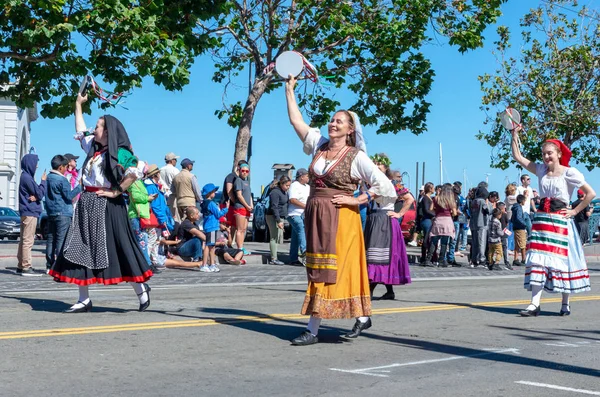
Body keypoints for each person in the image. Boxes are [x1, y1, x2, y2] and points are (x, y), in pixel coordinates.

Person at [285, 74, 396, 346]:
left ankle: (313, 329)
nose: (332, 123)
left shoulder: (356, 156)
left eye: (339, 121)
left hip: (342, 219)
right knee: (317, 269)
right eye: (332, 120)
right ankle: (358, 317)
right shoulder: (318, 146)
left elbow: (385, 187)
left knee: (335, 270)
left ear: (350, 130)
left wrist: (358, 200)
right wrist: (289, 90)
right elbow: (296, 122)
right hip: (316, 215)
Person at [49, 93, 152, 313]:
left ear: (107, 132)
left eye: (98, 126)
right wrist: (78, 104)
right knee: (78, 248)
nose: (94, 129)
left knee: (120, 248)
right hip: (86, 205)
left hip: (109, 207)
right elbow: (80, 128)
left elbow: (136, 171)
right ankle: (84, 298)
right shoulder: (94, 150)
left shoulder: (119, 154)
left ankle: (140, 289)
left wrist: (116, 191)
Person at [510, 127, 596, 317]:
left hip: (560, 222)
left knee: (562, 263)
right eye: (543, 154)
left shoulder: (569, 172)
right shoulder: (540, 170)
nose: (546, 156)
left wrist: (574, 211)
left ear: (558, 153)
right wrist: (514, 135)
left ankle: (565, 304)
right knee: (538, 261)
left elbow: (590, 194)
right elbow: (518, 157)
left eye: (549, 153)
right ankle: (534, 304)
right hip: (542, 222)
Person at [367, 164, 412, 300]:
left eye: (379, 168)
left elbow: (409, 199)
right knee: (377, 254)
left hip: (385, 219)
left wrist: (399, 214)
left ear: (386, 169)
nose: (376, 170)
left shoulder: (393, 184)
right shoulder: (371, 183)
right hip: (374, 219)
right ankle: (389, 291)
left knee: (379, 255)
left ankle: (369, 290)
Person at [44, 155, 82, 271]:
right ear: (60, 167)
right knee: (61, 239)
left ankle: (50, 264)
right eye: (65, 167)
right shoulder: (62, 180)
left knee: (51, 239)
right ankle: (59, 266)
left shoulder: (48, 178)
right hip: (63, 213)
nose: (67, 169)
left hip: (51, 212)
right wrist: (79, 186)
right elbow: (69, 196)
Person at [17, 153, 47, 276]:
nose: (37, 166)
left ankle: (21, 265)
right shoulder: (27, 178)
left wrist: (37, 196)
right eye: (35, 163)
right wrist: (43, 182)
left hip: (26, 211)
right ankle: (26, 266)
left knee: (24, 239)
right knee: (28, 240)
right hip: (30, 212)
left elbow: (37, 195)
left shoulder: (25, 176)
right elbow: (40, 194)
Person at [144, 164, 174, 270]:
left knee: (155, 240)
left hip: (155, 217)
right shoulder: (152, 187)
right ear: (155, 175)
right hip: (155, 218)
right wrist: (162, 219)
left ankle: (153, 260)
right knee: (152, 240)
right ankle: (148, 262)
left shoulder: (152, 186)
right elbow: (156, 206)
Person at [423, 185, 456, 267]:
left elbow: (431, 209)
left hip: (438, 220)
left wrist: (437, 210)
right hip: (447, 220)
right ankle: (441, 260)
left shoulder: (436, 198)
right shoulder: (450, 200)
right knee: (444, 242)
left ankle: (428, 259)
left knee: (434, 240)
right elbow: (454, 213)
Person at [200, 183, 228, 272]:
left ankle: (212, 264)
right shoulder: (211, 204)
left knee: (212, 246)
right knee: (209, 246)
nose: (214, 193)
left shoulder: (204, 203)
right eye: (213, 192)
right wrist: (226, 209)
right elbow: (218, 214)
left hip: (208, 226)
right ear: (209, 193)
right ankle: (204, 264)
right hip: (212, 227)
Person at [220, 160, 248, 247]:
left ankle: (230, 243)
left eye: (246, 170)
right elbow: (229, 191)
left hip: (235, 206)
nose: (245, 172)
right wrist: (235, 202)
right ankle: (225, 243)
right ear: (239, 168)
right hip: (227, 204)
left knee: (234, 226)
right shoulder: (231, 176)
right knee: (228, 225)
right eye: (243, 169)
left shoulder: (242, 179)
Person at [267, 176, 291, 265]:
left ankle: (275, 257)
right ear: (281, 184)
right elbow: (274, 207)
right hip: (272, 216)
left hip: (280, 216)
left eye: (289, 186)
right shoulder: (275, 192)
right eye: (287, 185)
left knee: (277, 237)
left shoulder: (284, 192)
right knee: (274, 237)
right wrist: (278, 220)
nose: (288, 187)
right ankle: (273, 258)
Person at [288, 168, 310, 266]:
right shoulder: (294, 186)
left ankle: (293, 258)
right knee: (301, 228)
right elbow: (292, 200)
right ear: (301, 177)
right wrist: (305, 206)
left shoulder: (307, 187)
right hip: (294, 214)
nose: (308, 178)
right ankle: (304, 251)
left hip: (304, 214)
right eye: (307, 176)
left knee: (296, 236)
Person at [469, 184, 491, 267]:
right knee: (482, 242)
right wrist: (487, 204)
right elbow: (487, 210)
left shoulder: (474, 201)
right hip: (482, 223)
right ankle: (482, 259)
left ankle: (474, 259)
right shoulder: (482, 201)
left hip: (473, 223)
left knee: (474, 242)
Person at [233, 163, 253, 255]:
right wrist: (246, 205)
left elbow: (249, 195)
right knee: (240, 229)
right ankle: (239, 248)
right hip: (240, 207)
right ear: (239, 171)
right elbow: (239, 195)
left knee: (244, 229)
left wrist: (251, 205)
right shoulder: (238, 180)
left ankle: (242, 246)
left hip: (247, 209)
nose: (244, 173)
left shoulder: (247, 182)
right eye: (243, 171)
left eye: (246, 171)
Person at [160, 152, 180, 221]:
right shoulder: (175, 170)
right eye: (175, 159)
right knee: (175, 218)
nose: (176, 161)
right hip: (173, 196)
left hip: (163, 196)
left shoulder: (160, 170)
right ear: (171, 160)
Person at [419, 182, 436, 265]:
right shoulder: (425, 198)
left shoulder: (429, 198)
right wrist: (435, 214)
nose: (434, 189)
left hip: (428, 220)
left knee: (427, 239)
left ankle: (424, 258)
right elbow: (426, 210)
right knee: (426, 239)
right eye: (433, 187)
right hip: (427, 220)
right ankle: (424, 258)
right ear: (430, 188)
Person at [511, 194, 528, 267]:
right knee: (522, 244)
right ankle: (523, 259)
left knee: (517, 244)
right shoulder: (519, 208)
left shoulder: (515, 207)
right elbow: (518, 217)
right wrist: (524, 224)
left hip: (516, 227)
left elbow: (512, 218)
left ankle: (516, 259)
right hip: (520, 227)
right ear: (522, 201)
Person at [496, 202, 512, 270]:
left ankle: (496, 261)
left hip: (497, 234)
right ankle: (506, 261)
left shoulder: (496, 215)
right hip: (504, 234)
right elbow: (507, 223)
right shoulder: (505, 215)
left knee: (497, 248)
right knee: (505, 248)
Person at [504, 183, 518, 253]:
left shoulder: (507, 197)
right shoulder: (510, 198)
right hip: (510, 216)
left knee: (511, 232)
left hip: (511, 216)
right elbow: (517, 200)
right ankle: (508, 247)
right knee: (510, 232)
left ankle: (511, 247)